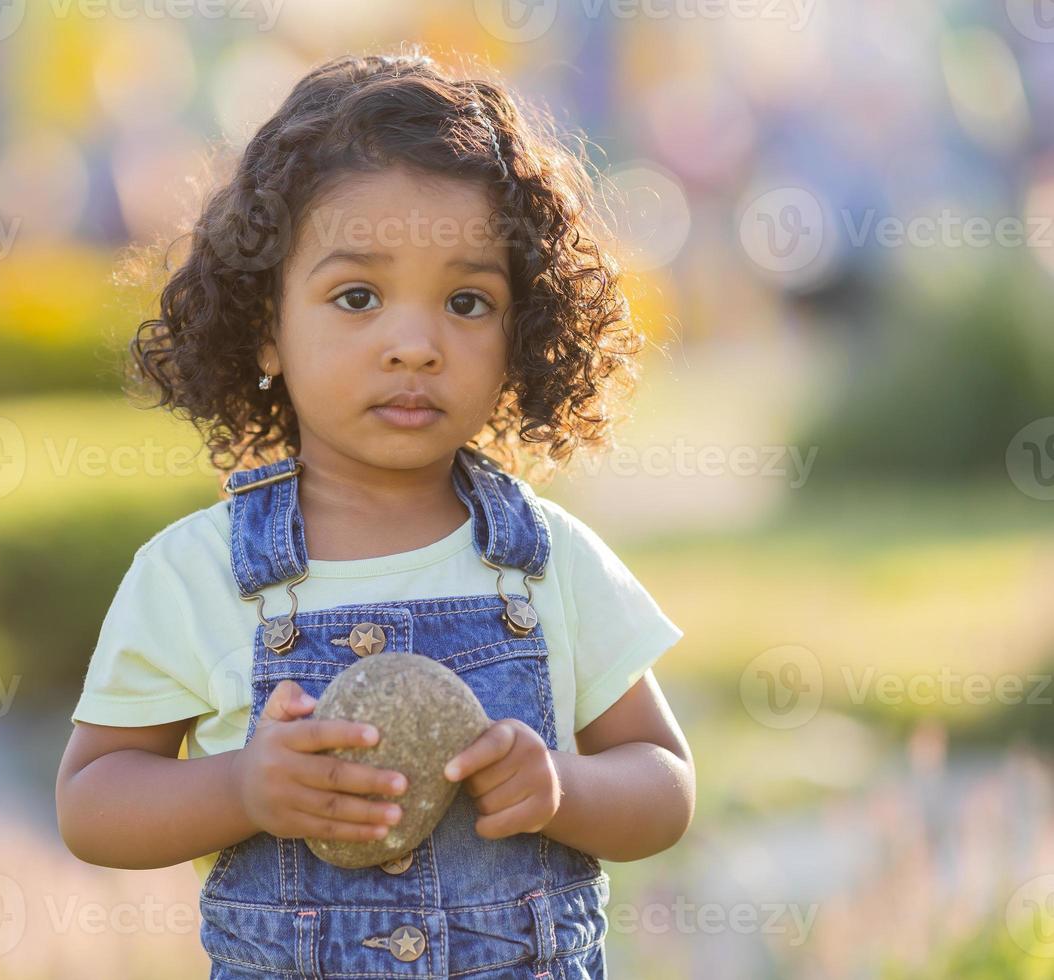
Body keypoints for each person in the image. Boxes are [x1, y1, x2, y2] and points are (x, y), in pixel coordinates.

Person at [56, 47, 694, 979]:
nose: (414, 345)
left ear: (520, 335)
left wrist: (564, 787)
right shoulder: (196, 573)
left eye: (467, 301)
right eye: (357, 296)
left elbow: (664, 785)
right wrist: (242, 788)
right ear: (266, 324)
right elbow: (92, 804)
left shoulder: (545, 562)